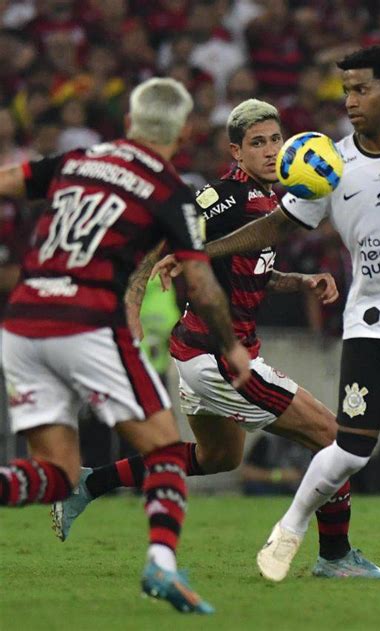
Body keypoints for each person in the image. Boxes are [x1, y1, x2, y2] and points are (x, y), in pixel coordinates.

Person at [160, 46, 380, 581]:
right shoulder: (330, 163)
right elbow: (277, 226)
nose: (349, 101)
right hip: (371, 329)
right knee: (348, 449)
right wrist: (200, 252)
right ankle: (296, 533)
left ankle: (310, 543)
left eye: (360, 89)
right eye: (345, 90)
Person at [54, 98, 380, 581]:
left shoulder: (271, 201)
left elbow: (246, 267)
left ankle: (90, 483)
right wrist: (131, 308)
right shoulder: (224, 198)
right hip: (218, 357)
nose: (271, 150)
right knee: (332, 436)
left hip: (198, 355)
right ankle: (335, 557)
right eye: (258, 143)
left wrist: (298, 280)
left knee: (218, 457)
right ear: (236, 152)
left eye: (276, 139)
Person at [0, 77, 252, 614]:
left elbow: (9, 182)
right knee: (164, 449)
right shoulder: (167, 189)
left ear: (131, 121)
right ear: (185, 130)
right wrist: (230, 346)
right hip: (85, 321)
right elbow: (202, 284)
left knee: (56, 475)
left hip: (21, 322)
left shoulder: (77, 159)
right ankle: (161, 566)